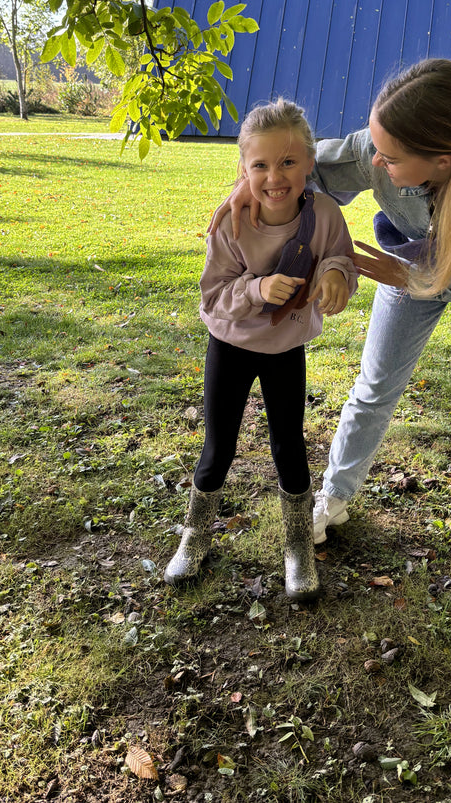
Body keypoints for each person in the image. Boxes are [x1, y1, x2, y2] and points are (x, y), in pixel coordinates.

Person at [212, 60, 451, 615]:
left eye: (389, 158)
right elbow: (304, 169)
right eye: (375, 146)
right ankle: (335, 498)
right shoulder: (380, 144)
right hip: (408, 265)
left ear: (441, 160)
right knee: (373, 386)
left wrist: (425, 277)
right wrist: (246, 191)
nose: (375, 162)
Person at [164, 98, 358, 600]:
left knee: (289, 446)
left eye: (289, 162)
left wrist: (337, 274)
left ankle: (296, 545)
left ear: (310, 163)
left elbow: (341, 256)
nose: (275, 177)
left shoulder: (324, 214)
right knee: (218, 446)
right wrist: (256, 288)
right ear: (243, 169)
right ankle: (195, 534)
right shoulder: (232, 223)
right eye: (261, 165)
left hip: (284, 348)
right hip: (230, 344)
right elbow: (212, 295)